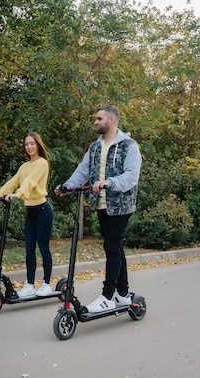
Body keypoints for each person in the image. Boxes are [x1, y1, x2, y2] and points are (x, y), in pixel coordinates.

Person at [55, 105, 141, 312]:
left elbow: (131, 176)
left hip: (120, 206)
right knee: (115, 247)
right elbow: (83, 170)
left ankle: (108, 296)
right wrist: (68, 186)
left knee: (112, 247)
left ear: (111, 121)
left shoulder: (129, 145)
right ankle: (122, 293)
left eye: (99, 118)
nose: (95, 122)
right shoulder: (94, 147)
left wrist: (109, 182)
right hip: (101, 204)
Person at [0, 132, 54, 297]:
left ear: (38, 145)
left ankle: (47, 284)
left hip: (43, 211)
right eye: (26, 144)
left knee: (44, 248)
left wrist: (18, 194)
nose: (29, 146)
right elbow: (14, 181)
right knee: (29, 249)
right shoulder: (24, 166)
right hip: (31, 212)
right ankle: (30, 284)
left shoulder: (42, 163)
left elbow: (29, 182)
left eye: (32, 143)